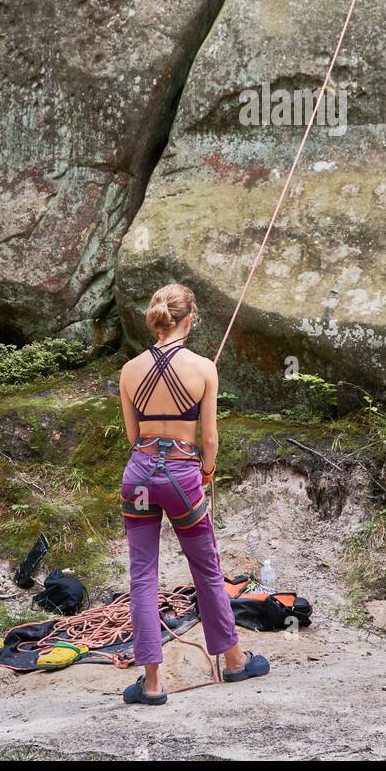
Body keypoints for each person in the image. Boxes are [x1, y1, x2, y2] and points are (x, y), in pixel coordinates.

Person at [119, 282, 270, 705]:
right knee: (206, 569)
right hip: (183, 476)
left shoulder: (130, 370)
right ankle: (235, 660)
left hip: (140, 477)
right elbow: (210, 438)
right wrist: (206, 471)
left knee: (143, 574)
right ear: (190, 319)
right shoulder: (203, 367)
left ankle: (151, 684)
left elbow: (134, 435)